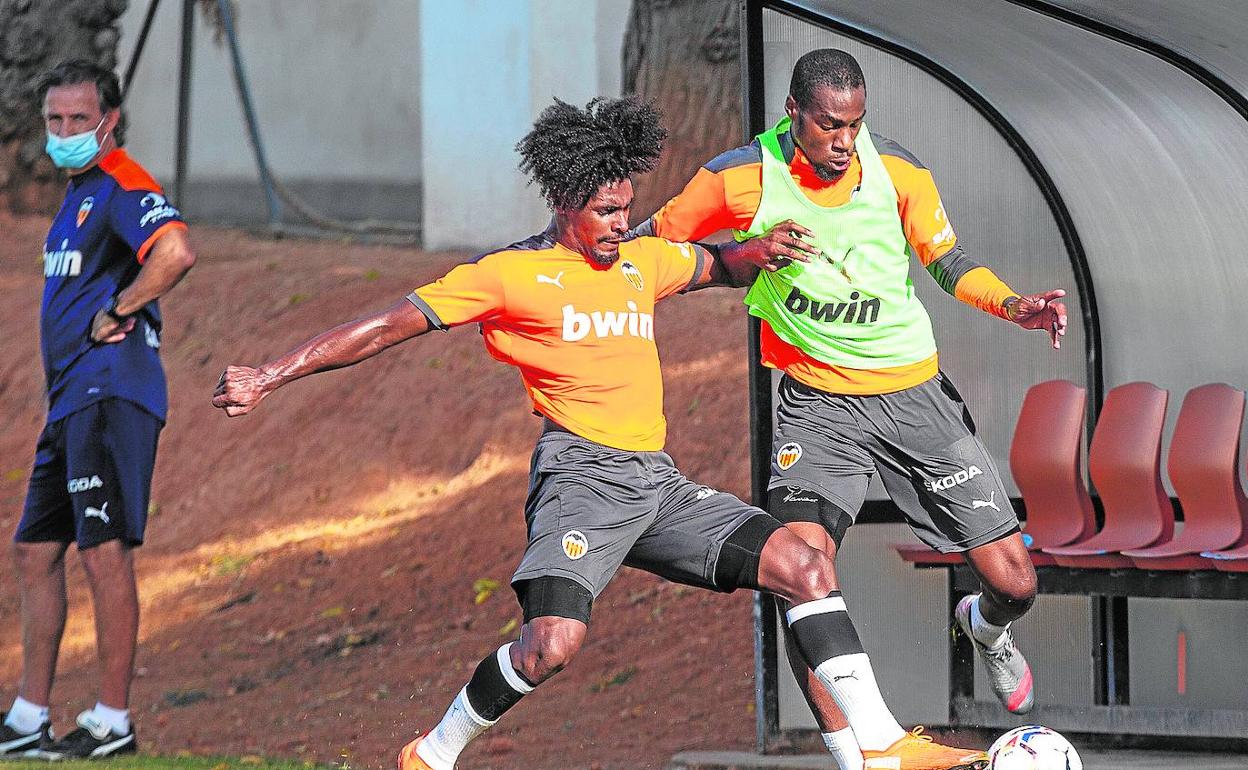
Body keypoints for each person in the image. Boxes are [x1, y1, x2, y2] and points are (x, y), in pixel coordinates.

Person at [212, 97, 987, 770]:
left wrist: (760, 251)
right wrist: (271, 374)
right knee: (551, 645)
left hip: (658, 484)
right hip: (580, 478)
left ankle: (880, 745)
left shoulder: (639, 259)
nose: (623, 224)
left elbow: (716, 264)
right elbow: (385, 326)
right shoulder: (507, 275)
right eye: (606, 212)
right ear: (560, 201)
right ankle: (434, 752)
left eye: (626, 206)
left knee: (804, 566)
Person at [631, 49, 1066, 770]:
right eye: (829, 125)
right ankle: (856, 759)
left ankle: (985, 629)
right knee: (800, 569)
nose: (844, 141)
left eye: (855, 125)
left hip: (913, 397)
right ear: (792, 114)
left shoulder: (897, 170)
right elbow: (653, 248)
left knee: (1015, 579)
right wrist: (739, 255)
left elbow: (947, 260)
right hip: (816, 407)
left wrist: (1012, 305)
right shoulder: (739, 178)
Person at [0, 61, 197, 760]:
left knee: (103, 552)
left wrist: (122, 307)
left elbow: (175, 250)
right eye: (55, 121)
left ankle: (113, 720)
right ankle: (29, 716)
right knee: (34, 550)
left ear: (109, 121)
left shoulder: (121, 182)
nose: (64, 133)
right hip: (72, 402)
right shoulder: (79, 194)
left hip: (111, 391)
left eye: (78, 121)